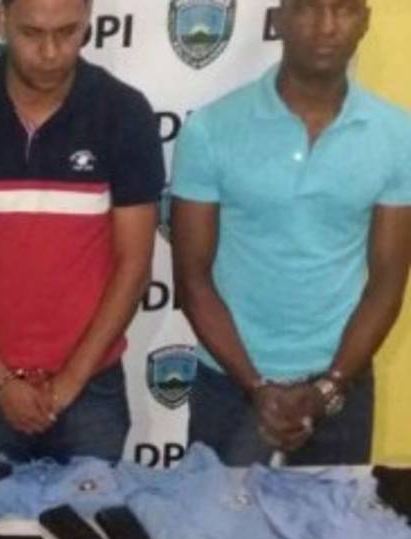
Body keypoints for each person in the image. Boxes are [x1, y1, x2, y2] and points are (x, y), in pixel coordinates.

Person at [0, 0, 164, 465]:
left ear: (88, 19)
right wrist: (0, 382)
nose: (50, 52)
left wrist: (70, 382)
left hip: (90, 389)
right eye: (32, 33)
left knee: (90, 515)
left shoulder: (125, 114)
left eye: (67, 32)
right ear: (2, 20)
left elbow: (133, 265)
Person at [171, 0, 411, 465]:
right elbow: (193, 279)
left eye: (343, 10)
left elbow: (387, 282)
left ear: (364, 22)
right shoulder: (211, 129)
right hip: (229, 384)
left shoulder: (397, 135)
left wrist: (331, 387)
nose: (326, 27)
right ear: (279, 20)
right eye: (307, 9)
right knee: (216, 515)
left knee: (333, 517)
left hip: (341, 386)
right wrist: (255, 386)